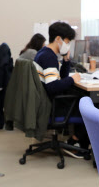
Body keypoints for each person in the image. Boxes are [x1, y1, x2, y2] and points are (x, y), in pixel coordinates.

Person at [34, 21, 89, 151]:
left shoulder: (44, 52)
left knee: (81, 97)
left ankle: (76, 139)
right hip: (50, 105)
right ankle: (77, 142)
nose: (68, 45)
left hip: (45, 101)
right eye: (67, 41)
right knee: (88, 104)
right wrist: (72, 79)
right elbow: (53, 86)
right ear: (58, 39)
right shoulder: (48, 57)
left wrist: (66, 60)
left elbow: (60, 79)